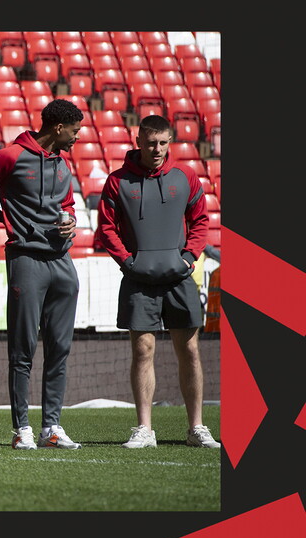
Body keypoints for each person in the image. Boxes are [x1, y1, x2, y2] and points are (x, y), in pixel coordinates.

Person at [94, 115, 221, 449]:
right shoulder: (117, 181)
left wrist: (189, 258)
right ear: (138, 141)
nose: (157, 149)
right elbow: (106, 228)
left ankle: (196, 428)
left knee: (190, 350)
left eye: (164, 142)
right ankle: (144, 429)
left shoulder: (186, 176)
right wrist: (127, 261)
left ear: (170, 142)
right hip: (139, 280)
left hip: (179, 278)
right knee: (142, 350)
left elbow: (200, 220)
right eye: (151, 143)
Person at [0, 98, 84, 450]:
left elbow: (66, 205)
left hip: (62, 263)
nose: (78, 138)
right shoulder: (10, 156)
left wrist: (71, 221)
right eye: (75, 131)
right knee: (23, 350)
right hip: (26, 261)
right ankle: (22, 428)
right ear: (58, 128)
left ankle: (51, 427)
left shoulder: (63, 165)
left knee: (60, 348)